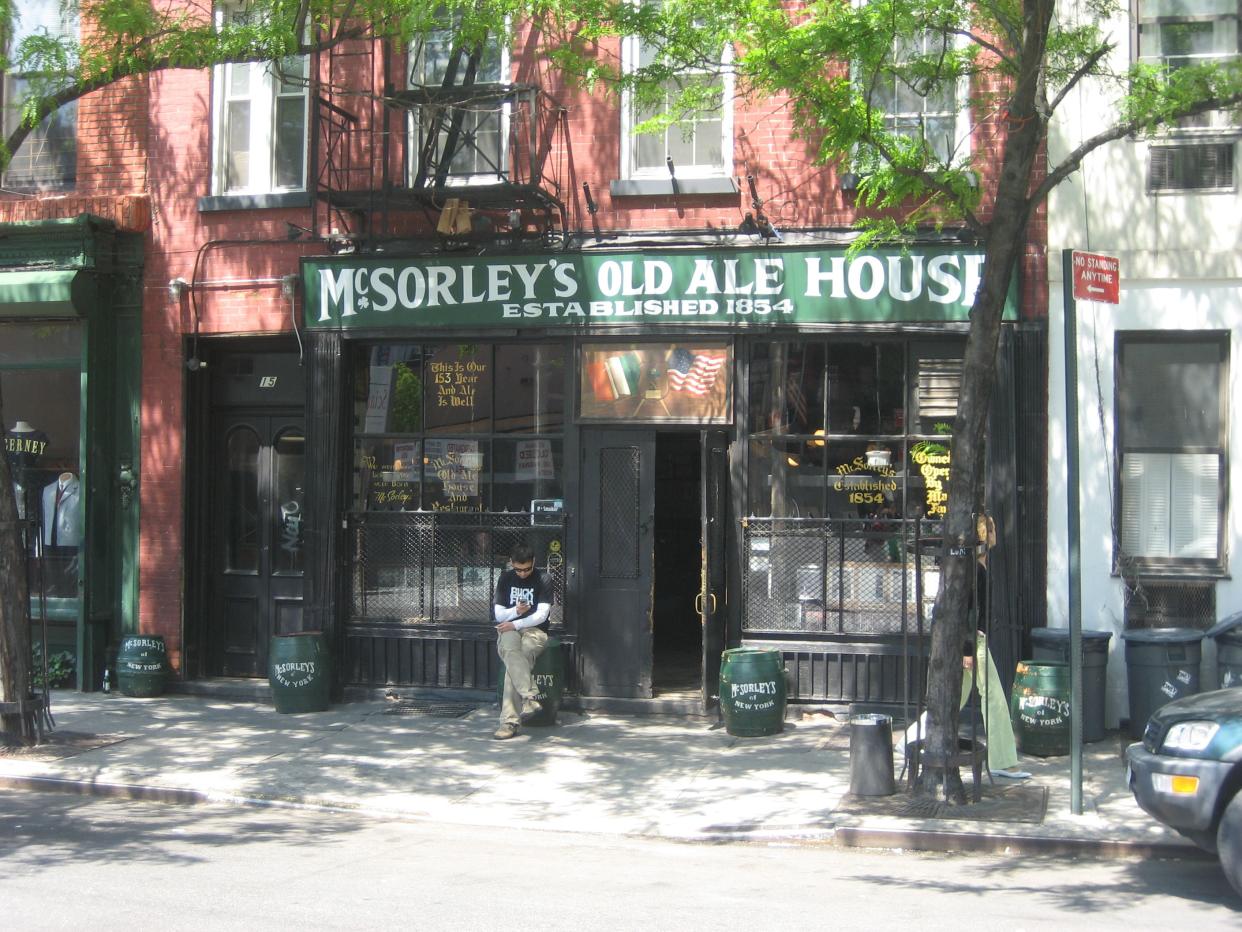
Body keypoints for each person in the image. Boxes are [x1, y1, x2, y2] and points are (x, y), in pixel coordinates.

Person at [492, 544, 554, 740]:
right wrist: (515, 613)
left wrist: (516, 624)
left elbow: (542, 615)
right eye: (518, 569)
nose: (523, 573)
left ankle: (509, 722)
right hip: (508, 626)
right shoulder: (505, 578)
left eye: (527, 569)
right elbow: (498, 614)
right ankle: (528, 697)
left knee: (518, 658)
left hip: (534, 630)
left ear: (534, 562)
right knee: (512, 652)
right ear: (512, 564)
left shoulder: (544, 578)